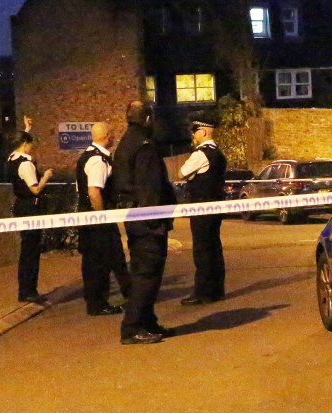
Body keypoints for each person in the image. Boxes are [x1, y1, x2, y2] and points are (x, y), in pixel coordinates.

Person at [110, 101, 177, 345]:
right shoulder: (145, 146)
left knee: (145, 272)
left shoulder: (127, 142)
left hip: (135, 217)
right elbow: (150, 187)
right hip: (147, 220)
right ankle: (133, 327)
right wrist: (156, 222)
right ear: (148, 119)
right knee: (146, 275)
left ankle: (147, 322)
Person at [75, 122, 131, 316]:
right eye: (112, 134)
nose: (114, 138)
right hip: (97, 218)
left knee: (101, 259)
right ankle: (100, 302)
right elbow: (94, 192)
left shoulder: (88, 156)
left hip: (90, 217)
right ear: (107, 136)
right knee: (103, 261)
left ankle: (103, 300)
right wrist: (102, 217)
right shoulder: (98, 160)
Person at [178, 117, 227, 305]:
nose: (193, 134)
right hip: (216, 206)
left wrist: (191, 175)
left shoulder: (200, 154)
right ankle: (217, 290)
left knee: (202, 249)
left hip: (201, 206)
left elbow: (182, 173)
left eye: (195, 131)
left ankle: (203, 292)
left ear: (204, 132)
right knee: (214, 247)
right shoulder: (218, 153)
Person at [7, 115, 53, 304]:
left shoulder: (12, 157)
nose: (32, 147)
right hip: (30, 207)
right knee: (31, 251)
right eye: (30, 143)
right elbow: (35, 189)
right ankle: (28, 291)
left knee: (28, 248)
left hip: (20, 206)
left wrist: (27, 128)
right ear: (25, 144)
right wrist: (47, 176)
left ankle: (27, 289)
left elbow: (21, 142)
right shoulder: (25, 164)